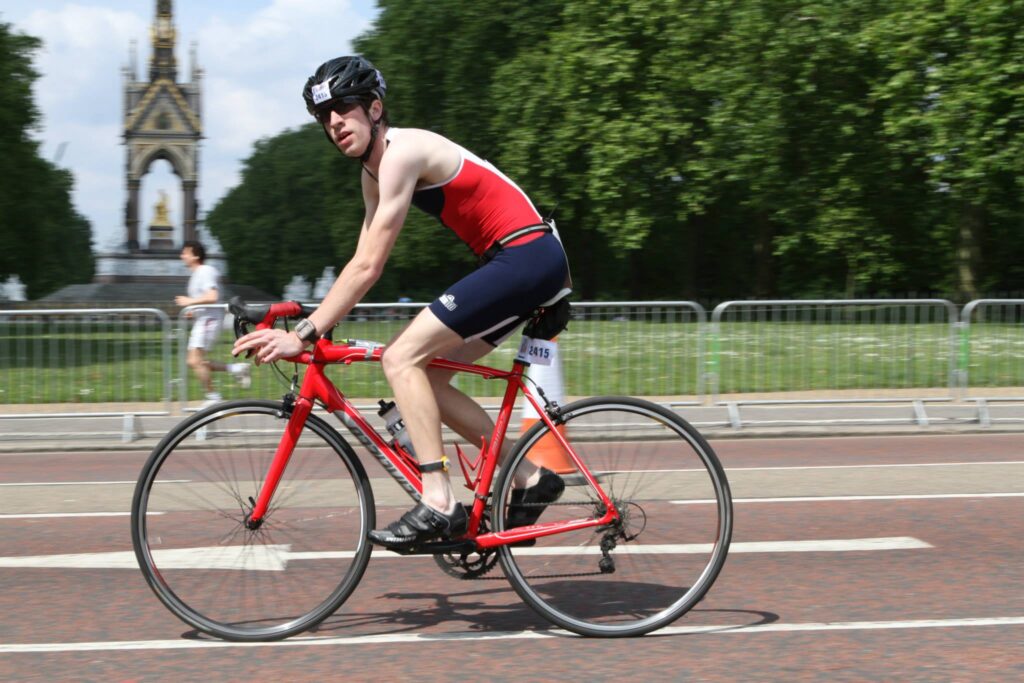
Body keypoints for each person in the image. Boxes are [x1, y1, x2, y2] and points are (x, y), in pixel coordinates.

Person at [232, 55, 570, 548]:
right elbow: (358, 261)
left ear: (374, 109)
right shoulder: (372, 174)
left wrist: (303, 336)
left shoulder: (401, 153)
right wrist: (299, 313)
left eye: (343, 109)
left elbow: (371, 267)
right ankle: (531, 477)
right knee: (427, 380)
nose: (333, 124)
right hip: (521, 261)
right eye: (323, 117)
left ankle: (439, 500)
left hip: (525, 256)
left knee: (400, 357)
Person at [176, 240, 251, 405]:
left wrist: (189, 301)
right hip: (203, 321)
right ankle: (237, 369)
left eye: (185, 252)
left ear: (195, 255)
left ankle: (213, 397)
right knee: (194, 361)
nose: (182, 256)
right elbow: (205, 300)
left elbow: (212, 297)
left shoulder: (206, 271)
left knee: (195, 361)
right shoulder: (198, 274)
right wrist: (193, 311)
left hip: (208, 322)